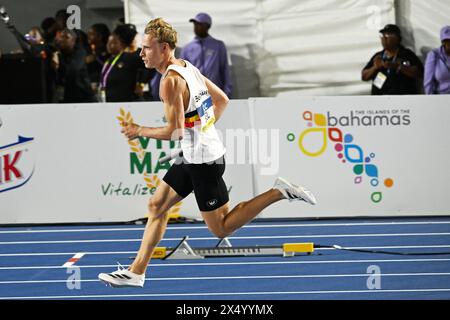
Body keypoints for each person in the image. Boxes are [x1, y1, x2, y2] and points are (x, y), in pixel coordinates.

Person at [98, 18, 317, 288]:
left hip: (203, 160)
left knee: (222, 227)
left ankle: (279, 192)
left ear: (164, 48)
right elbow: (221, 100)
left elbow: (175, 132)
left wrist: (139, 130)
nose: (141, 53)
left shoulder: (170, 82)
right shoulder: (187, 67)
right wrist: (201, 128)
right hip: (195, 155)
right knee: (156, 206)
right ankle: (136, 272)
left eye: (146, 48)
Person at [180, 13, 233, 97]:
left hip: (215, 94)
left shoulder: (218, 45)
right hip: (195, 96)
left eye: (200, 24)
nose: (196, 27)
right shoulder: (187, 48)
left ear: (207, 26)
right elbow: (182, 74)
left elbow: (225, 69)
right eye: (195, 24)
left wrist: (226, 92)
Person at [362, 24, 423, 95]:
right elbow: (364, 76)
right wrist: (374, 68)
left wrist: (398, 67)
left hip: (402, 100)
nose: (384, 38)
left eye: (387, 35)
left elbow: (419, 73)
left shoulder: (406, 54)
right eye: (382, 36)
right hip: (380, 101)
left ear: (397, 38)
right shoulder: (378, 56)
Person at [100, 25, 150, 102]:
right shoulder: (111, 58)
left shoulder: (133, 56)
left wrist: (141, 84)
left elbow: (151, 67)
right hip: (109, 100)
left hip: (126, 101)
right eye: (108, 43)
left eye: (113, 43)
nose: (108, 46)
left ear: (121, 44)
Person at [55, 29, 96, 103]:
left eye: (67, 37)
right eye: (61, 37)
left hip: (83, 97)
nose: (62, 39)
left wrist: (58, 65)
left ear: (74, 41)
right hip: (66, 97)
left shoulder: (80, 52)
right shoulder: (58, 53)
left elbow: (73, 70)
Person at [424, 26, 450, 95]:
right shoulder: (434, 55)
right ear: (443, 42)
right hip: (441, 97)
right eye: (449, 41)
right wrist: (430, 99)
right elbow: (428, 81)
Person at [86, 23, 110, 93]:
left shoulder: (108, 51)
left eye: (91, 34)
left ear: (100, 36)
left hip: (103, 85)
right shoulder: (87, 49)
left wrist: (96, 58)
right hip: (89, 84)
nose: (88, 36)